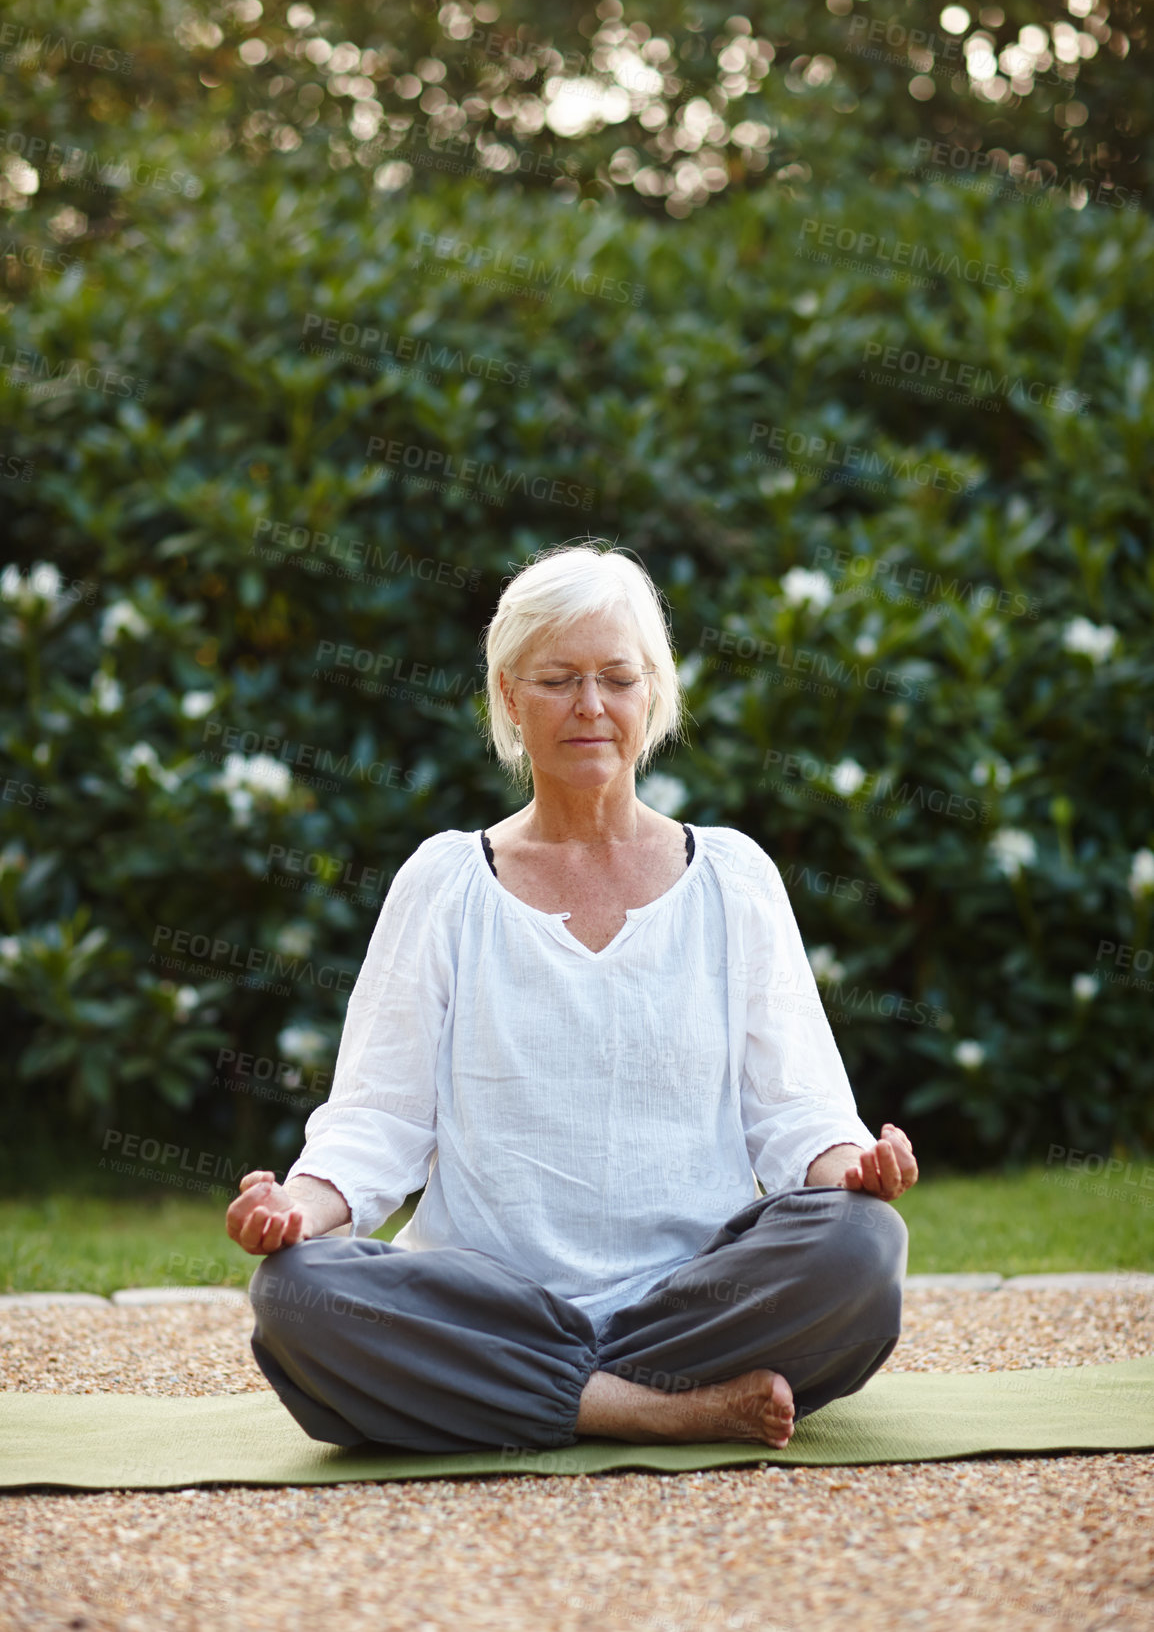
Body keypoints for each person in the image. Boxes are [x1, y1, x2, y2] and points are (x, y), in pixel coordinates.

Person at [227, 542, 917, 1456]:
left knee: (863, 1249)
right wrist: (299, 1212)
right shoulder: (445, 883)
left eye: (616, 679)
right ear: (510, 698)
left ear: (652, 696)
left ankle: (524, 1394)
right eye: (557, 680)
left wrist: (852, 1169)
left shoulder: (733, 878)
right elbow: (376, 1122)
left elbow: (798, 1111)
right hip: (491, 1302)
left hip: (694, 1300)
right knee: (294, 1293)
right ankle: (656, 1409)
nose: (591, 707)